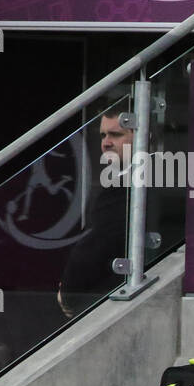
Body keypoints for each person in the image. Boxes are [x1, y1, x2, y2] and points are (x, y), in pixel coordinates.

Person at [57, 107, 135, 317]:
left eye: (116, 134)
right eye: (103, 135)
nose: (106, 142)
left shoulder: (135, 185)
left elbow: (98, 245)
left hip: (112, 304)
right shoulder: (121, 181)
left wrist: (69, 293)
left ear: (145, 135)